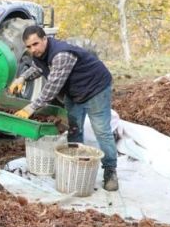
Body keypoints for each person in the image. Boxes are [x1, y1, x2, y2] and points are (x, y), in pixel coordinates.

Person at [10, 26, 118, 191]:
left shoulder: (61, 55)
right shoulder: (40, 53)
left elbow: (51, 88)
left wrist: (30, 109)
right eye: (29, 46)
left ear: (45, 39)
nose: (33, 49)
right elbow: (38, 68)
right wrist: (22, 78)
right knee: (74, 129)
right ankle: (75, 166)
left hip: (95, 88)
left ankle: (110, 171)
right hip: (74, 92)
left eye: (36, 44)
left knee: (102, 131)